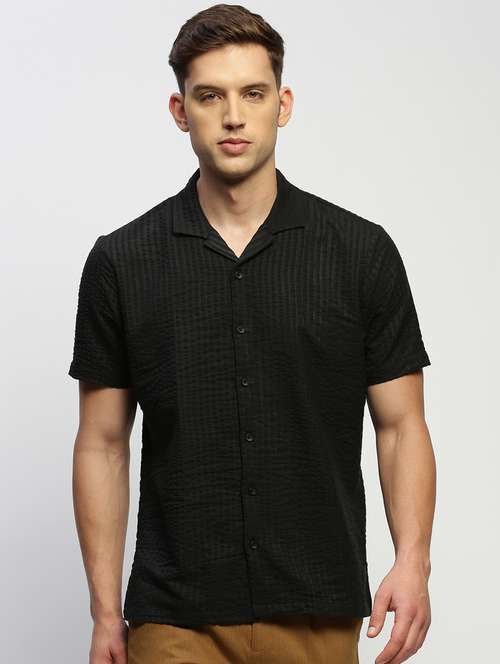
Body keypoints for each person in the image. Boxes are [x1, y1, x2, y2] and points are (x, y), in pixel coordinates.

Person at [68, 4, 436, 663]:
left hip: (318, 610)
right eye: (210, 96)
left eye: (253, 94)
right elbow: (102, 444)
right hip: (174, 619)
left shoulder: (360, 253)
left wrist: (414, 562)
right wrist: (103, 613)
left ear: (283, 105)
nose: (233, 116)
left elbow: (401, 426)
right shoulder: (122, 262)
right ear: (180, 110)